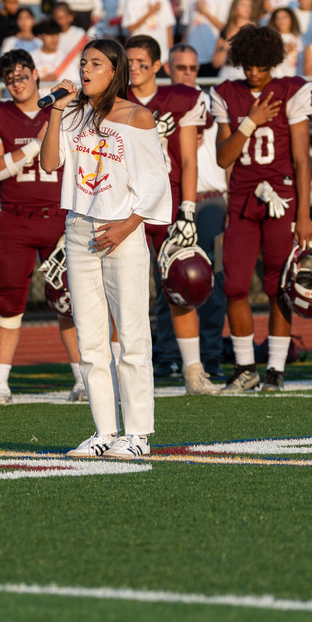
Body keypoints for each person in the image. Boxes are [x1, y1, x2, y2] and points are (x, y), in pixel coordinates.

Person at [38, 38, 169, 458]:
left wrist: (127, 226)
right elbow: (50, 162)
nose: (86, 70)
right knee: (91, 340)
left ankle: (137, 435)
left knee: (131, 335)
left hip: (122, 232)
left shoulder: (138, 116)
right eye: (83, 63)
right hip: (79, 228)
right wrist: (57, 109)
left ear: (115, 71)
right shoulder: (73, 113)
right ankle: (104, 432)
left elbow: (155, 183)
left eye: (96, 63)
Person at [0, 50, 85, 402]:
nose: (17, 84)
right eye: (10, 79)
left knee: (69, 300)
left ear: (37, 74)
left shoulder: (65, 109)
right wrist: (38, 142)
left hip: (60, 216)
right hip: (15, 218)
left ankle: (82, 379)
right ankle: (0, 382)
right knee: (9, 300)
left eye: (22, 76)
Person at [208, 25, 312, 391]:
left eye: (260, 64)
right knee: (235, 285)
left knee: (278, 286)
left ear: (272, 60)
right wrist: (251, 121)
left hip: (282, 200)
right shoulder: (225, 93)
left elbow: (302, 159)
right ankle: (245, 367)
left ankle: (275, 369)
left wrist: (304, 214)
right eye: (248, 64)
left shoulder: (292, 90)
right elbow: (224, 157)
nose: (253, 71)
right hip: (242, 199)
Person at [121, 36, 216, 393]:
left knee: (180, 284)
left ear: (158, 65)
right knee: (120, 290)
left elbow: (189, 159)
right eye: (129, 61)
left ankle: (193, 371)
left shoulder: (181, 99)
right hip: (123, 204)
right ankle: (119, 373)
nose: (135, 67)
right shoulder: (113, 101)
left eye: (142, 61)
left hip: (166, 202)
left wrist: (188, 210)